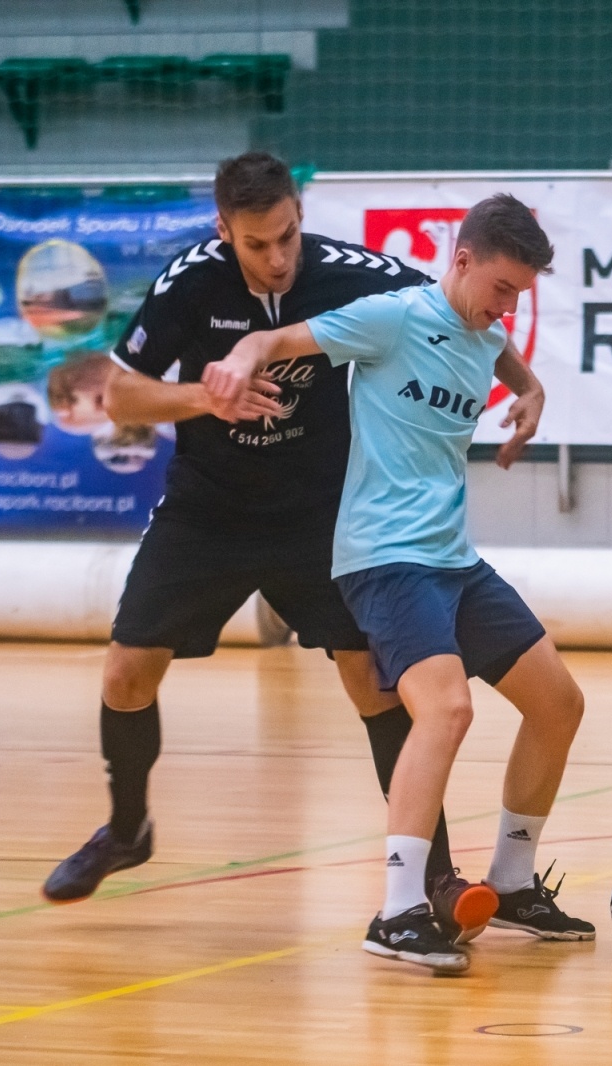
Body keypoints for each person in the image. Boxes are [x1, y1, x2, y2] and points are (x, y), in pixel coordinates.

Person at [42, 152, 495, 942]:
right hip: (207, 512)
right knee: (125, 674)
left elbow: (451, 308)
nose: (278, 256)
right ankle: (127, 829)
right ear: (225, 231)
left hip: (320, 515)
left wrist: (524, 384)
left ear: (299, 214)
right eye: (257, 244)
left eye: (287, 236)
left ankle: (435, 876)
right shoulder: (191, 281)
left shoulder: (350, 272)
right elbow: (120, 395)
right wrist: (205, 397)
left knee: (374, 685)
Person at [203, 193, 593, 975]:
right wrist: (242, 360)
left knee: (559, 703)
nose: (508, 308)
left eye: (521, 294)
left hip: (453, 560)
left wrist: (532, 390)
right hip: (384, 558)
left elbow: (497, 350)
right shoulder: (391, 318)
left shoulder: (486, 329)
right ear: (461, 260)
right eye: (502, 288)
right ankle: (397, 911)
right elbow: (279, 338)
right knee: (446, 709)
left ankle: (512, 884)